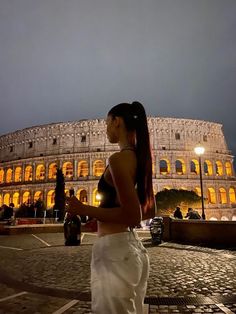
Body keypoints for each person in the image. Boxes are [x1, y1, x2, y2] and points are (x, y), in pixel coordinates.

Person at [67, 101, 154, 314]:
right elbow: (148, 211)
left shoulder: (118, 159)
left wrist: (84, 209)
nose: (106, 129)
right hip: (132, 250)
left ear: (116, 121)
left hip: (115, 252)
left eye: (107, 123)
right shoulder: (140, 158)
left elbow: (133, 215)